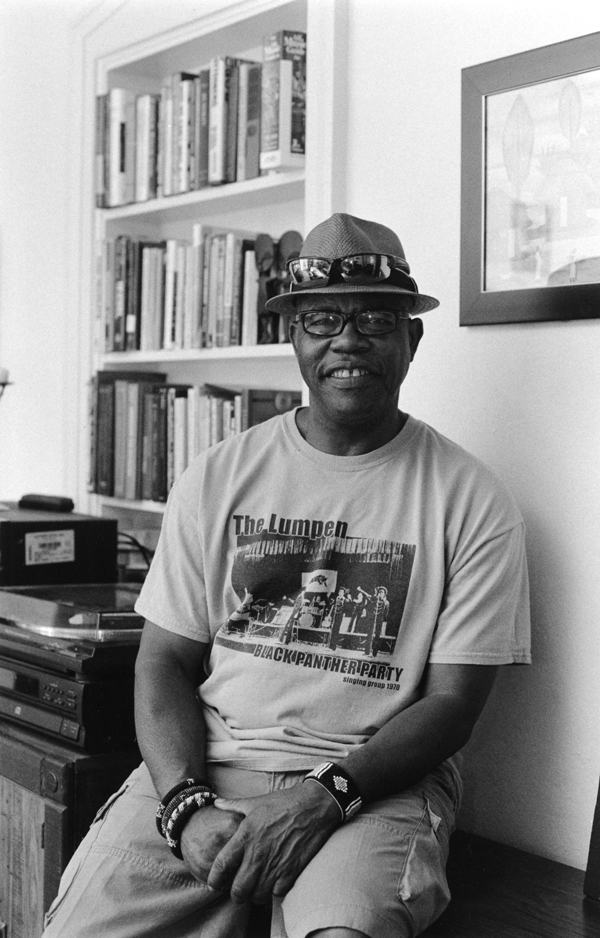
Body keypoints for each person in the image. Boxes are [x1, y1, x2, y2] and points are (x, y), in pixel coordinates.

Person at [42, 213, 531, 938]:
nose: (348, 340)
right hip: (209, 767)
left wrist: (319, 800)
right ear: (295, 338)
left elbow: (454, 704)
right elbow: (164, 661)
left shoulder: (472, 498)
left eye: (374, 318)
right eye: (323, 319)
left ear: (411, 340)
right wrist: (183, 803)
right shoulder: (218, 476)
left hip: (373, 786)